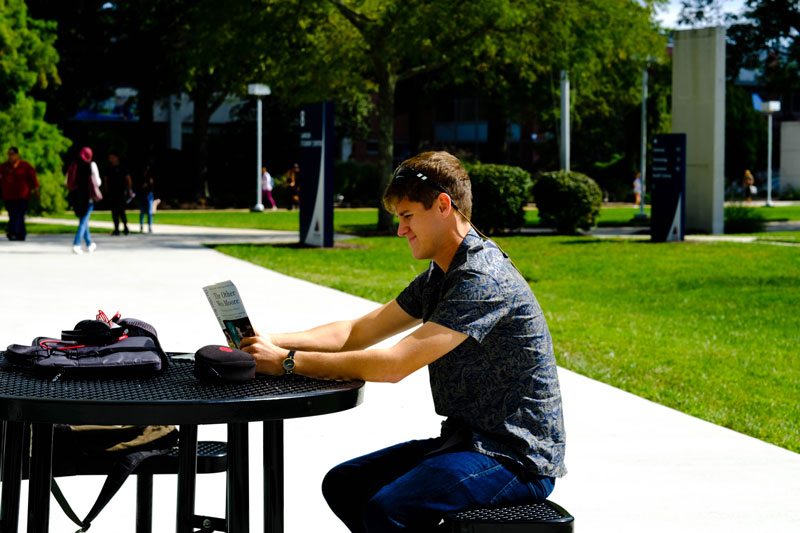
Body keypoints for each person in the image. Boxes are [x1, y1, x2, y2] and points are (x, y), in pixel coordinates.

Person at [240, 151, 567, 532]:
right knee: (346, 485)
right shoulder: (441, 275)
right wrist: (267, 341)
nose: (400, 230)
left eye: (407, 216)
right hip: (467, 443)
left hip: (516, 457)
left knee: (389, 509)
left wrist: (286, 362)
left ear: (443, 205)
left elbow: (395, 364)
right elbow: (356, 332)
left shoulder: (482, 277)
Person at [65, 147, 102, 255]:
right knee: (83, 222)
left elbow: (67, 180)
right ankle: (76, 244)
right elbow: (98, 182)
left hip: (76, 197)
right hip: (88, 197)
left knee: (83, 220)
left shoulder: (74, 164)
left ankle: (90, 244)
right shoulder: (91, 165)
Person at [0, 147, 39, 241]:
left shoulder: (25, 166)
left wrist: (37, 192)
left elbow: (33, 180)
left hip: (22, 196)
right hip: (8, 196)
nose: (10, 156)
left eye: (12, 154)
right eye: (9, 154)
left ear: (17, 155)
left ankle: (15, 233)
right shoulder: (4, 167)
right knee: (12, 214)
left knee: (19, 214)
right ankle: (18, 233)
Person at [105, 150, 132, 235]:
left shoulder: (123, 168)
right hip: (112, 193)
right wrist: (106, 191)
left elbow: (128, 179)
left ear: (116, 158)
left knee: (121, 211)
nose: (111, 159)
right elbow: (105, 180)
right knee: (114, 212)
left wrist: (129, 190)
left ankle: (125, 227)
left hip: (121, 193)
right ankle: (116, 228)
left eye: (112, 157)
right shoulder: (109, 168)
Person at [136, 164, 155, 233]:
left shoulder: (150, 178)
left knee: (149, 212)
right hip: (142, 196)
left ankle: (150, 226)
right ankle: (141, 225)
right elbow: (137, 187)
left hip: (149, 195)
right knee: (142, 212)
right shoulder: (140, 178)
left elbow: (152, 188)